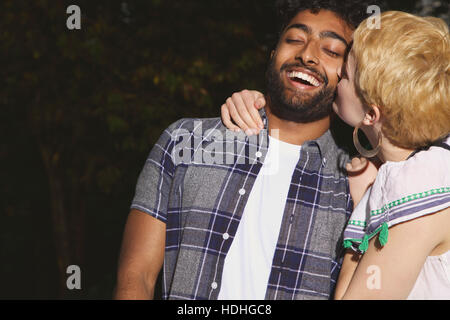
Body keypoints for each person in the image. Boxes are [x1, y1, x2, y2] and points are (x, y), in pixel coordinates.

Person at [114, 0, 374, 300]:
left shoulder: (357, 182)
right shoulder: (186, 141)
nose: (307, 55)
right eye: (295, 40)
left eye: (331, 51)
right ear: (274, 53)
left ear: (349, 76)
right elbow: (136, 278)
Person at [221, 11, 450, 299]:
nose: (338, 74)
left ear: (371, 114)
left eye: (346, 75)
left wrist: (363, 203)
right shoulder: (431, 165)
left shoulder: (418, 182)